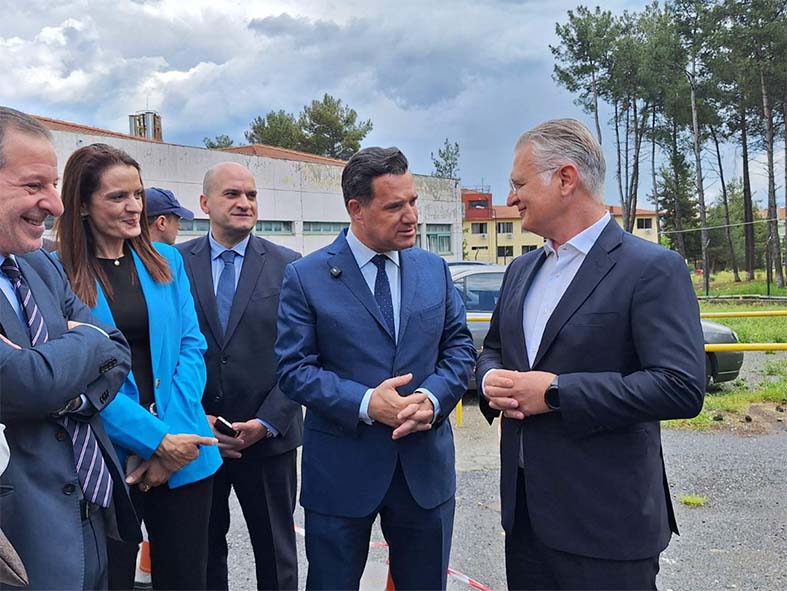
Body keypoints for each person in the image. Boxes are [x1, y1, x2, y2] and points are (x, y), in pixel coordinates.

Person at [476, 118, 706, 590]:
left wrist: (557, 392)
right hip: (526, 521)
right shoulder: (521, 269)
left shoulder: (651, 268)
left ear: (566, 178)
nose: (511, 198)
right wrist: (489, 378)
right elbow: (494, 348)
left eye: (519, 184)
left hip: (608, 526)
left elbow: (681, 386)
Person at [276, 147, 476, 591]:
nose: (412, 217)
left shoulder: (434, 269)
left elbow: (460, 347)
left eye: (413, 202)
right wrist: (366, 403)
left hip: (424, 471)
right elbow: (293, 369)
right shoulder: (306, 277)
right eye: (394, 206)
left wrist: (432, 399)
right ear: (357, 209)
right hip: (342, 474)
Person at [54, 143, 222, 591]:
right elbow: (78, 377)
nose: (134, 207)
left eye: (138, 194)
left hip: (184, 449)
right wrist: (152, 440)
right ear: (83, 206)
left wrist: (169, 441)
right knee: (110, 580)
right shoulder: (57, 272)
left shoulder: (168, 261)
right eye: (118, 197)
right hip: (108, 458)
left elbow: (191, 347)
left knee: (188, 579)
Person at [0, 106, 139, 590]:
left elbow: (116, 349)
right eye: (33, 185)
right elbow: (21, 383)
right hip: (20, 543)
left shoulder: (38, 264)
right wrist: (86, 341)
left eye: (54, 185)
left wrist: (63, 384)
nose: (55, 205)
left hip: (91, 520)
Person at [176, 162, 302, 590]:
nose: (245, 203)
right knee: (202, 552)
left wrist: (266, 422)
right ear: (204, 203)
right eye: (232, 194)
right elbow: (166, 352)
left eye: (251, 195)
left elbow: (303, 356)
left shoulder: (290, 266)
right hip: (197, 437)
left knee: (276, 555)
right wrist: (196, 420)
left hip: (268, 440)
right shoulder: (174, 264)